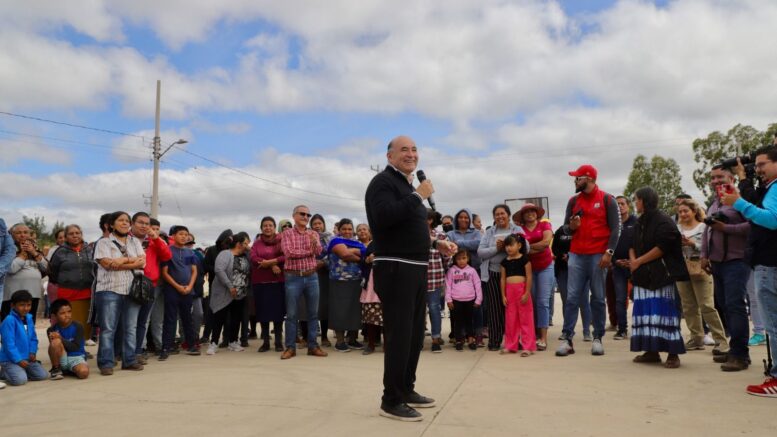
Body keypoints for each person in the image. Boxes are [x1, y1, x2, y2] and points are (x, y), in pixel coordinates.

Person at [365, 135, 456, 421]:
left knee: (415, 335)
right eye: (404, 149)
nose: (411, 154)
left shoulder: (406, 186)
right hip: (395, 268)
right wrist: (418, 195)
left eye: (415, 150)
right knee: (400, 335)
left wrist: (435, 243)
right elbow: (383, 218)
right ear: (390, 156)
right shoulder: (382, 182)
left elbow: (407, 229)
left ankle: (406, 388)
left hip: (416, 267)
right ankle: (391, 400)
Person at [721, 145, 777, 396]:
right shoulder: (769, 187)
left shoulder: (775, 187)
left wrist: (739, 203)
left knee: (773, 325)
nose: (758, 168)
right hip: (767, 262)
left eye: (763, 164)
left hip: (770, 263)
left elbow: (772, 220)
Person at [556, 164, 620, 357]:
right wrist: (572, 227)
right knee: (572, 298)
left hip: (598, 255)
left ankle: (597, 338)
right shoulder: (573, 201)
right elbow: (565, 229)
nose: (575, 181)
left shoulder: (607, 199)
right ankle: (567, 339)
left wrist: (609, 252)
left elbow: (616, 229)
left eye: (578, 177)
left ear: (590, 178)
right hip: (576, 254)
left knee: (598, 298)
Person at [628, 187, 687, 368]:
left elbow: (662, 247)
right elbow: (632, 244)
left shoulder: (664, 221)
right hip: (643, 277)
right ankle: (651, 351)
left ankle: (673, 353)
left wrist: (638, 261)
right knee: (646, 314)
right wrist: (633, 261)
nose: (635, 203)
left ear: (644, 201)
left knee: (666, 314)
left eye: (636, 199)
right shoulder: (639, 222)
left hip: (663, 276)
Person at [701, 164, 751, 370]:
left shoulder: (740, 200)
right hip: (717, 263)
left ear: (732, 178)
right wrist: (704, 255)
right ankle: (734, 349)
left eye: (720, 177)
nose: (715, 181)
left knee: (735, 305)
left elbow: (753, 225)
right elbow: (708, 230)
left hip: (736, 261)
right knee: (723, 306)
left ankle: (740, 355)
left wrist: (726, 228)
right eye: (713, 178)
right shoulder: (714, 203)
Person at [93, 211, 146, 375]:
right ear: (111, 224)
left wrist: (121, 260)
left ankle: (129, 360)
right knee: (108, 329)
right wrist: (132, 261)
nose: (124, 223)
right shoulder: (103, 243)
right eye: (120, 220)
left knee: (130, 328)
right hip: (109, 290)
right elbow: (107, 264)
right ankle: (106, 363)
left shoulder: (135, 241)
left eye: (127, 221)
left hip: (132, 290)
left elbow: (142, 262)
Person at [675, 199, 728, 352]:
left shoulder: (704, 227)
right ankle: (697, 338)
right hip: (682, 268)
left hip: (701, 267)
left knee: (706, 305)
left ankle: (721, 340)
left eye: (686, 211)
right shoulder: (676, 229)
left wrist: (693, 244)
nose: (683, 214)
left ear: (694, 211)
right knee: (688, 306)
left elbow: (711, 247)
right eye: (680, 211)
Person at [280, 205, 328, 360]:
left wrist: (315, 244)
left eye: (308, 215)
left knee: (313, 314)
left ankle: (313, 346)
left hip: (312, 276)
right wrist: (309, 251)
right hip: (293, 277)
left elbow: (319, 251)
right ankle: (290, 347)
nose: (306, 217)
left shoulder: (313, 233)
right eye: (302, 214)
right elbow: (289, 253)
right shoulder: (287, 233)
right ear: (294, 216)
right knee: (291, 314)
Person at [478, 204, 523, 351]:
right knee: (494, 309)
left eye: (502, 213)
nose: (500, 216)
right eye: (497, 214)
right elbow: (480, 252)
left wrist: (509, 246)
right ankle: (495, 340)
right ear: (493, 217)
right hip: (493, 273)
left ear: (508, 215)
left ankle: (515, 340)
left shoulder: (517, 229)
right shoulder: (489, 232)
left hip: (513, 275)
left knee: (514, 308)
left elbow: (526, 248)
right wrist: (496, 248)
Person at [130, 213, 172, 361]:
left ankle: (139, 350)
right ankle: (126, 351)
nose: (144, 226)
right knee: (129, 321)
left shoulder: (154, 241)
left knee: (143, 320)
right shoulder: (127, 239)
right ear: (132, 223)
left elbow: (167, 256)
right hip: (129, 283)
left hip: (149, 285)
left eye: (146, 224)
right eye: (140, 223)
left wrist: (156, 238)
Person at [515, 204, 553, 351]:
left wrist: (527, 248)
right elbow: (518, 249)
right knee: (532, 302)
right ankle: (534, 334)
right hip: (528, 269)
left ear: (537, 213)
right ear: (522, 216)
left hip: (545, 267)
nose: (530, 213)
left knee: (543, 302)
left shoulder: (544, 225)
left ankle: (543, 338)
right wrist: (534, 248)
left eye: (532, 211)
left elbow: (546, 243)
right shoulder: (519, 230)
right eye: (526, 212)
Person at [47, 225, 94, 343]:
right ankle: (67, 347)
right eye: (71, 234)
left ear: (81, 234)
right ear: (66, 236)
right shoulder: (60, 252)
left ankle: (80, 348)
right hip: (67, 292)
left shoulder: (89, 250)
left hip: (87, 292)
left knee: (84, 324)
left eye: (77, 233)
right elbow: (52, 272)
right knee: (68, 322)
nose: (75, 235)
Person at [159, 225, 200, 360]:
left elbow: (193, 271)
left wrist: (189, 286)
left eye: (186, 234)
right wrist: (177, 286)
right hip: (172, 290)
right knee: (170, 319)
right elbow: (165, 273)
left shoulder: (190, 253)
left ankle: (191, 345)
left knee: (187, 318)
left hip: (188, 290)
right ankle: (166, 348)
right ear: (173, 236)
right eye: (181, 234)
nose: (184, 237)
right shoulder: (168, 251)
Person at [207, 232, 251, 355]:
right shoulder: (225, 254)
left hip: (240, 293)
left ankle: (233, 342)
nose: (247, 246)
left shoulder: (245, 256)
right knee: (219, 318)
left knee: (236, 319)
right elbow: (219, 270)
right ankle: (213, 343)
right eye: (245, 243)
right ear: (238, 244)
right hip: (225, 292)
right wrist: (230, 286)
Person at [327, 218, 366, 352]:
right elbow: (344, 255)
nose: (347, 231)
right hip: (339, 281)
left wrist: (353, 251)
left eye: (350, 229)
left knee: (355, 311)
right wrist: (360, 257)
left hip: (356, 281)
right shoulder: (335, 241)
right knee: (340, 310)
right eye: (344, 229)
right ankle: (340, 342)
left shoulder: (358, 243)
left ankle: (352, 340)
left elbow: (366, 253)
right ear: (339, 230)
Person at [446, 209, 484, 344]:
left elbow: (478, 244)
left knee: (476, 306)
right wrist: (467, 244)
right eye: (461, 217)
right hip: (455, 271)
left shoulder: (476, 232)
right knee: (456, 309)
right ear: (456, 219)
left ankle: (477, 335)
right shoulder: (450, 233)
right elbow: (448, 248)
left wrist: (458, 243)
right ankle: (458, 335)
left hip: (474, 270)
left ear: (470, 220)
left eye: (466, 217)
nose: (463, 219)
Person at [250, 217, 286, 353]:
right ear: (261, 228)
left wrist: (271, 262)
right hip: (260, 283)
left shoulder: (281, 241)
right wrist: (272, 265)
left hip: (277, 282)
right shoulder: (257, 243)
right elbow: (253, 258)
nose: (268, 228)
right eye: (265, 225)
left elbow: (286, 256)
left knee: (278, 313)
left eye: (270, 225)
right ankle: (265, 342)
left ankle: (278, 342)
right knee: (262, 313)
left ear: (274, 227)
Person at [551, 224, 592, 341]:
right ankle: (567, 331)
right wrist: (562, 256)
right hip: (563, 270)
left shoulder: (585, 228)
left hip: (581, 270)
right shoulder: (561, 230)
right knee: (567, 301)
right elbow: (554, 248)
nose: (574, 218)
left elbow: (588, 247)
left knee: (584, 302)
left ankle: (587, 332)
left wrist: (572, 256)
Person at [0, 290, 48, 385]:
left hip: (26, 358)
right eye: (22, 305)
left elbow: (33, 338)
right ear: (13, 305)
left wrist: (32, 352)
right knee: (20, 380)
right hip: (10, 360)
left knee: (43, 375)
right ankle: (4, 372)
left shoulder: (29, 318)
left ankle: (19, 371)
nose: (26, 308)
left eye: (28, 305)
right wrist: (18, 360)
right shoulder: (9, 320)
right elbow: (9, 344)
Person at [2, 223, 47, 322]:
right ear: (11, 234)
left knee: (28, 324)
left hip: (33, 295)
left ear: (30, 235)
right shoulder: (6, 249)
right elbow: (11, 269)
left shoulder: (35, 249)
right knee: (11, 325)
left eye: (25, 232)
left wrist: (34, 253)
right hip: (12, 297)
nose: (22, 235)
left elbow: (46, 268)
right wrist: (23, 254)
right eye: (19, 233)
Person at [500, 234, 534, 356]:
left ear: (519, 246)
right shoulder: (504, 262)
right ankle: (510, 345)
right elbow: (502, 279)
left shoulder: (525, 259)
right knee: (511, 320)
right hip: (510, 292)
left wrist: (527, 292)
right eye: (506, 246)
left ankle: (528, 347)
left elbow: (529, 276)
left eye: (511, 245)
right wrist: (503, 295)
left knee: (526, 319)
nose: (508, 248)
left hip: (522, 291)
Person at [610, 196, 638, 339]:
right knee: (620, 299)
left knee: (638, 298)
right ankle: (622, 330)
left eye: (622, 203)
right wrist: (615, 261)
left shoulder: (636, 222)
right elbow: (608, 246)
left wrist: (634, 261)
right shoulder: (611, 224)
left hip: (636, 266)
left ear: (628, 206)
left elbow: (642, 242)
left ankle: (639, 328)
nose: (620, 206)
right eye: (617, 204)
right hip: (618, 267)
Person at [445, 249, 482, 351]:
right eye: (458, 259)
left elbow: (478, 285)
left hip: (470, 300)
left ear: (468, 259)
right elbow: (448, 285)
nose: (461, 261)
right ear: (455, 260)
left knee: (469, 321)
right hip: (456, 301)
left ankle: (471, 340)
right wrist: (448, 299)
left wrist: (478, 299)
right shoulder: (451, 270)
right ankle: (458, 340)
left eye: (464, 258)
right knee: (458, 322)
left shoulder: (472, 271)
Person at [202, 229, 233, 346]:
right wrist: (218, 270)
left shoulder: (231, 251)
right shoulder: (212, 250)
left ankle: (226, 338)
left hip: (228, 287)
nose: (226, 243)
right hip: (214, 286)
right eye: (225, 241)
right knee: (211, 312)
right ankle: (206, 336)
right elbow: (205, 266)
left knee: (227, 314)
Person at [46, 299, 89, 380]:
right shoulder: (51, 330)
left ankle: (68, 370)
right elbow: (53, 349)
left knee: (84, 373)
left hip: (76, 357)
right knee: (55, 341)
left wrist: (61, 338)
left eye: (69, 312)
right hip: (61, 356)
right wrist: (58, 339)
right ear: (54, 316)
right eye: (62, 313)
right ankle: (56, 369)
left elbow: (76, 348)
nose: (67, 315)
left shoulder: (78, 326)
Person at [426, 209, 450, 353]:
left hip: (435, 278)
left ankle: (436, 338)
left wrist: (443, 271)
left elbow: (447, 257)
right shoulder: (413, 234)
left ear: (430, 220)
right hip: (416, 279)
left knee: (434, 308)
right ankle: (417, 339)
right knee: (418, 311)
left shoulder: (441, 236)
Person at [311, 214, 333, 347]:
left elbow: (333, 254)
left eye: (319, 223)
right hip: (310, 273)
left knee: (324, 306)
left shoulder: (331, 238)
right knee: (310, 306)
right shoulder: (307, 236)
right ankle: (310, 337)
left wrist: (323, 262)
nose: (317, 226)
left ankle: (324, 336)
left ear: (323, 224)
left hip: (325, 275)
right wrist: (313, 263)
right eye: (314, 224)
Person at [360, 241, 382, 355]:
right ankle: (371, 345)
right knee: (370, 317)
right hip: (371, 284)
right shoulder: (372, 244)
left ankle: (388, 346)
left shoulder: (395, 241)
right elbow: (363, 261)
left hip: (389, 283)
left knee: (389, 318)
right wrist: (368, 260)